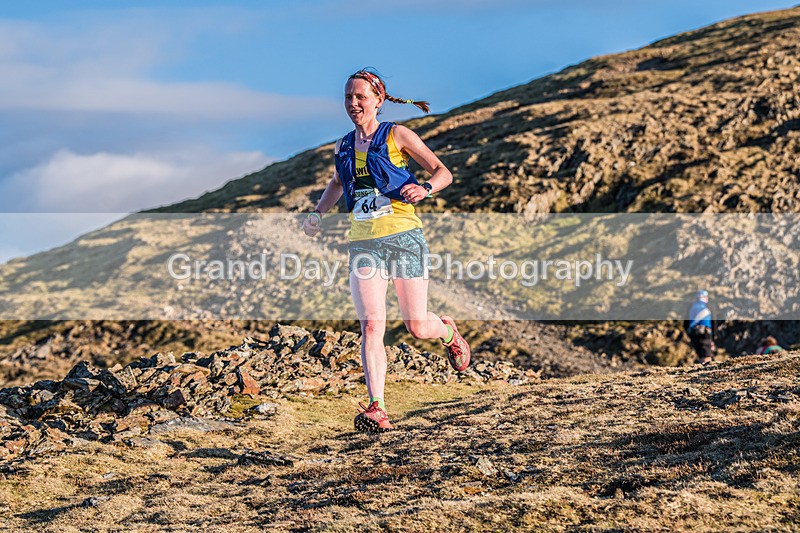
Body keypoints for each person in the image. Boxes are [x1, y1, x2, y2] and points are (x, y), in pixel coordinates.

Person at [302, 69, 471, 433]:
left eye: (360, 97)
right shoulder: (342, 145)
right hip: (363, 243)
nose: (353, 103)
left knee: (416, 326)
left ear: (378, 99)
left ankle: (446, 332)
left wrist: (425, 189)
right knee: (371, 325)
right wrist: (318, 213)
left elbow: (443, 172)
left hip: (403, 236)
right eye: (348, 97)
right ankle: (377, 407)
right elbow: (336, 183)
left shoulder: (397, 135)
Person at [683, 289, 715, 365]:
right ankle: (707, 370)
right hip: (706, 333)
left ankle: (701, 368)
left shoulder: (691, 307)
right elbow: (714, 322)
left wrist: (689, 334)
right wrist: (714, 336)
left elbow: (685, 322)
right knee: (707, 354)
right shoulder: (709, 306)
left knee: (700, 353)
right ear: (705, 297)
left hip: (694, 332)